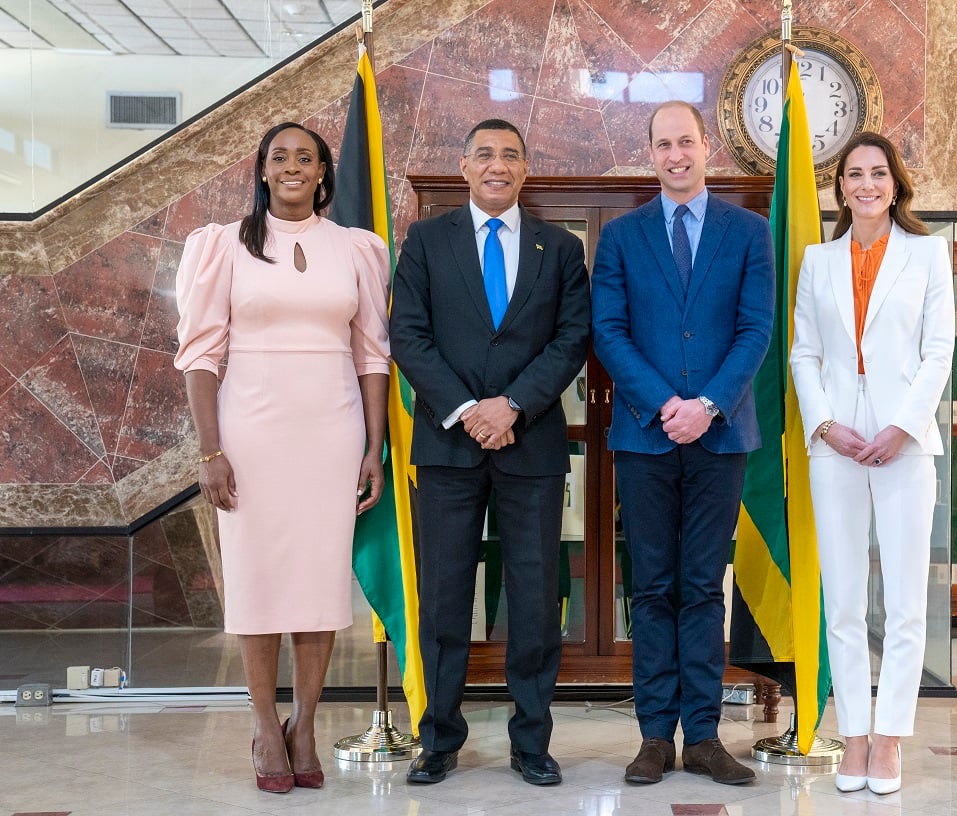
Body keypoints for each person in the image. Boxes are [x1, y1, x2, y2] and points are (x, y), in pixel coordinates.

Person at [174, 122, 391, 793]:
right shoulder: (222, 246)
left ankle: (305, 723)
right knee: (260, 582)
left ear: (324, 172)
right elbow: (200, 355)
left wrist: (374, 445)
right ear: (263, 171)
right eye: (279, 157)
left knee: (319, 586)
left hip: (331, 435)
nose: (293, 166)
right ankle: (266, 725)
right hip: (251, 437)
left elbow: (372, 355)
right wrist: (211, 450)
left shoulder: (357, 249)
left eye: (307, 156)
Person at [390, 118, 590, 786]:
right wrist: (468, 411)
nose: (497, 165)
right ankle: (438, 739)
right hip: (448, 446)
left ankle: (531, 742)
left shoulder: (558, 248)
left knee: (535, 602)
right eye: (484, 155)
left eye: (510, 155)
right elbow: (409, 336)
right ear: (464, 166)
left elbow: (570, 338)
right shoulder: (425, 241)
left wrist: (513, 406)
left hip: (529, 444)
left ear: (525, 169)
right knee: (445, 597)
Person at [591, 101, 774, 786]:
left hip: (722, 438)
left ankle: (702, 736)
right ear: (652, 154)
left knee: (702, 588)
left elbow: (755, 329)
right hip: (644, 437)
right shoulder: (621, 236)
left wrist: (707, 405)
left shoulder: (749, 232)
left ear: (708, 149)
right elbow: (608, 331)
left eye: (686, 142)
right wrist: (666, 404)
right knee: (654, 589)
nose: (676, 155)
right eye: (663, 144)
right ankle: (653, 738)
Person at [788, 131, 954, 795]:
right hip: (836, 448)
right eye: (854, 174)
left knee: (906, 603)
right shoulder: (816, 260)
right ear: (840, 187)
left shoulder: (926, 254)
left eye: (878, 173)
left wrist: (902, 426)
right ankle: (853, 737)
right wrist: (825, 425)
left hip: (904, 447)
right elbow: (803, 353)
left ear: (896, 183)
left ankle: (889, 743)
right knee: (846, 602)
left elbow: (937, 351)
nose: (866, 184)